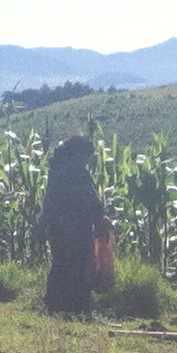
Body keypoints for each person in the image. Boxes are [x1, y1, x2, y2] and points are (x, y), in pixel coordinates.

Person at [36, 135, 108, 316]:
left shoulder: (57, 170)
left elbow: (49, 201)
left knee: (60, 264)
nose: (87, 160)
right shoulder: (77, 174)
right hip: (76, 227)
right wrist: (99, 217)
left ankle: (55, 305)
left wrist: (43, 222)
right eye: (86, 155)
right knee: (78, 266)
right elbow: (88, 199)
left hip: (57, 226)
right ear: (78, 153)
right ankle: (76, 307)